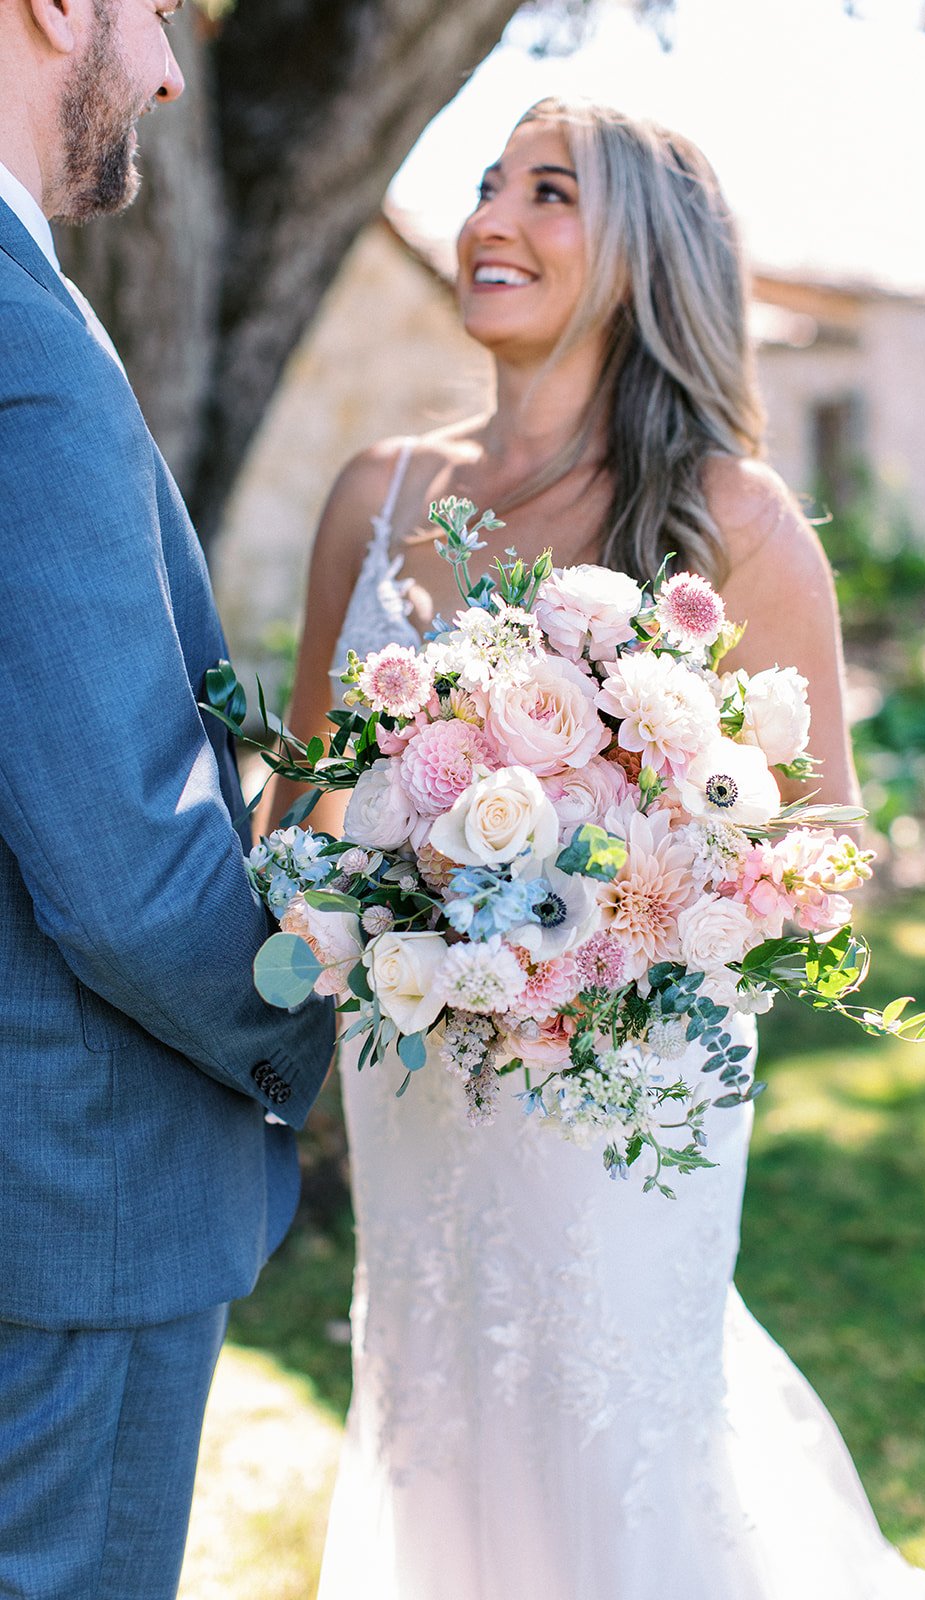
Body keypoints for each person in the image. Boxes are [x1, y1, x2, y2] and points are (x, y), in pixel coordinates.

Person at [274, 99, 925, 1600]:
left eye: (549, 193)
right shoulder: (383, 496)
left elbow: (826, 840)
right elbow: (303, 811)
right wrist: (385, 905)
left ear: (643, 256)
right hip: (418, 1064)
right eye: (486, 185)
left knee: (615, 1452)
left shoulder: (734, 520)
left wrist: (625, 898)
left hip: (626, 1087)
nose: (491, 219)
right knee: (439, 1418)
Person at [0, 3, 336, 1597]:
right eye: (151, 11)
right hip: (66, 1205)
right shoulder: (23, 346)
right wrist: (309, 1032)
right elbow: (129, 864)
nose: (169, 72)